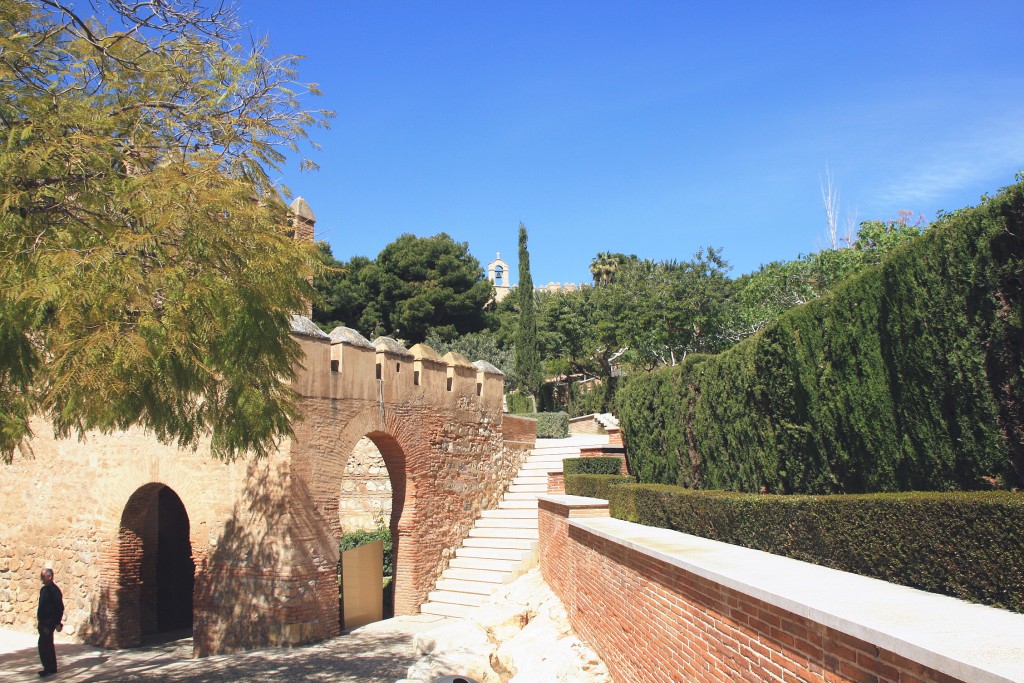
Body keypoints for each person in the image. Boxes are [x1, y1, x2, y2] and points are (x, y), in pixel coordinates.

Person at [37, 567, 64, 677]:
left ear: (50, 577)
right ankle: (51, 667)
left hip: (49, 622)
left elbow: (60, 607)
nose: (41, 578)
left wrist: (58, 622)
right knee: (47, 644)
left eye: (43, 576)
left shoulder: (54, 590)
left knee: (44, 644)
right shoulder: (44, 589)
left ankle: (48, 667)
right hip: (43, 622)